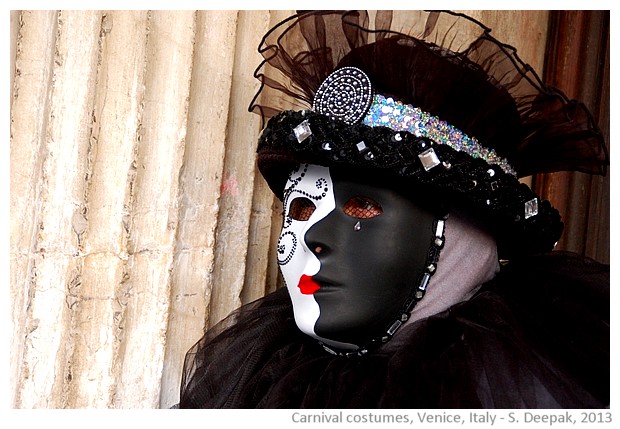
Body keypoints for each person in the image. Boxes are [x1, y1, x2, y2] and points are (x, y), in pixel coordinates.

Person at [178, 10, 609, 408]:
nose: (313, 237)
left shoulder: (523, 390)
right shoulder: (263, 377)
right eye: (303, 207)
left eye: (362, 205)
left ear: (461, 234)